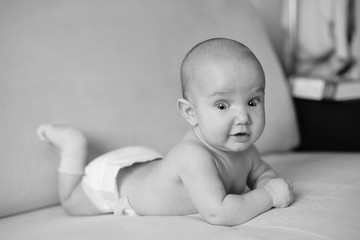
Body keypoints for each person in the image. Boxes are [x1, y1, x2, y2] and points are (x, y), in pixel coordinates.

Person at [37, 38, 294, 226]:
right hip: (115, 184)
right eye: (222, 105)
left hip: (148, 162)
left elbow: (263, 174)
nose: (243, 118)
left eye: (253, 102)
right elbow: (220, 212)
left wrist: (269, 183)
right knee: (71, 202)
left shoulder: (246, 149)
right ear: (190, 113)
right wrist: (269, 195)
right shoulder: (194, 156)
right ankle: (73, 146)